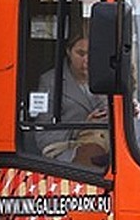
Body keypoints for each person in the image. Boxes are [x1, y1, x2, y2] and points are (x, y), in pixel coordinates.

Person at [35, 29, 109, 166]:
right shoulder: (51, 81)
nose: (86, 60)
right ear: (69, 52)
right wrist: (82, 126)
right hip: (67, 149)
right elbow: (42, 133)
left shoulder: (108, 80)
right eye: (81, 54)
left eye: (92, 54)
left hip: (107, 146)